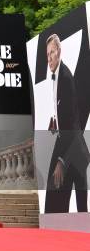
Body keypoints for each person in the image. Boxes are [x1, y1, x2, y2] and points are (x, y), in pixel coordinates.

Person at [44, 34, 89, 213]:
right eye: (47, 54)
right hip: (68, 143)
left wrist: (61, 161)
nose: (49, 58)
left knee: (79, 203)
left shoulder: (65, 78)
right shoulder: (55, 76)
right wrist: (56, 122)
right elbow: (66, 114)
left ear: (59, 52)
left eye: (52, 53)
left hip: (74, 148)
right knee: (66, 199)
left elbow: (72, 123)